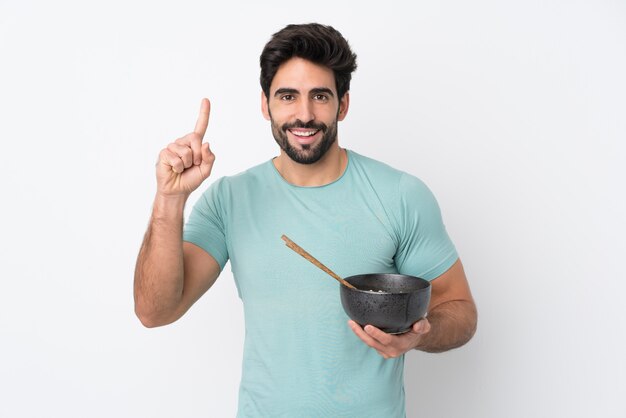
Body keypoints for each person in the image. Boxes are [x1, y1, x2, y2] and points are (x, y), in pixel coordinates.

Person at [134, 23, 477, 417]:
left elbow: (461, 309)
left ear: (342, 104)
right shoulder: (229, 200)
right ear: (265, 104)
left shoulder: (401, 195)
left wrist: (418, 336)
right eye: (287, 96)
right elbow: (155, 312)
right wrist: (169, 199)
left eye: (320, 96)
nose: (304, 114)